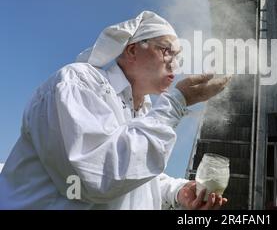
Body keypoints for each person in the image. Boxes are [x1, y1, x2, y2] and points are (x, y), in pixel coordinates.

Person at [0, 11, 229, 210]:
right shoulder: (80, 81)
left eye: (177, 56)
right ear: (131, 50)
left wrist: (178, 192)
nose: (174, 64)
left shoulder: (144, 109)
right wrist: (176, 103)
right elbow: (95, 177)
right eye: (166, 51)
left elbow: (136, 181)